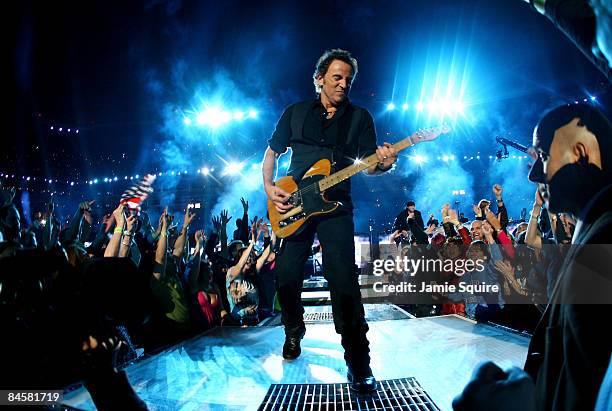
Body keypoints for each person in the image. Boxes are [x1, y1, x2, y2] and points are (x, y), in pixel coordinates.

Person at [454, 102, 612, 410]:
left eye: (542, 157)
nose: (534, 174)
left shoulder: (605, 244)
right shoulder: (594, 230)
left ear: (580, 154)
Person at [261, 48, 399, 393]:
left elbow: (369, 166)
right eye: (337, 77)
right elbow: (271, 154)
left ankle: (358, 362)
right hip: (293, 204)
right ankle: (294, 328)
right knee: (287, 277)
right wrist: (268, 186)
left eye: (348, 79)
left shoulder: (360, 118)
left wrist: (384, 163)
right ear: (319, 78)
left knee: (343, 282)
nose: (343, 84)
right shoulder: (294, 113)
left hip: (335, 207)